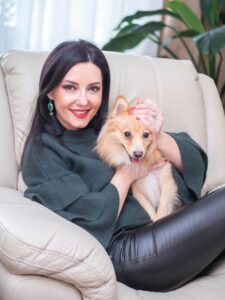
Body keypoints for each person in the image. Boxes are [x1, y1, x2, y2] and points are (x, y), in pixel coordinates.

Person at [21, 39, 225, 292]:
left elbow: (197, 167)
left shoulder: (114, 129)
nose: (83, 100)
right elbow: (88, 221)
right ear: (51, 91)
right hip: (128, 253)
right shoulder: (44, 150)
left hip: (166, 231)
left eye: (94, 89)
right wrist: (126, 175)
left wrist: (156, 135)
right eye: (70, 88)